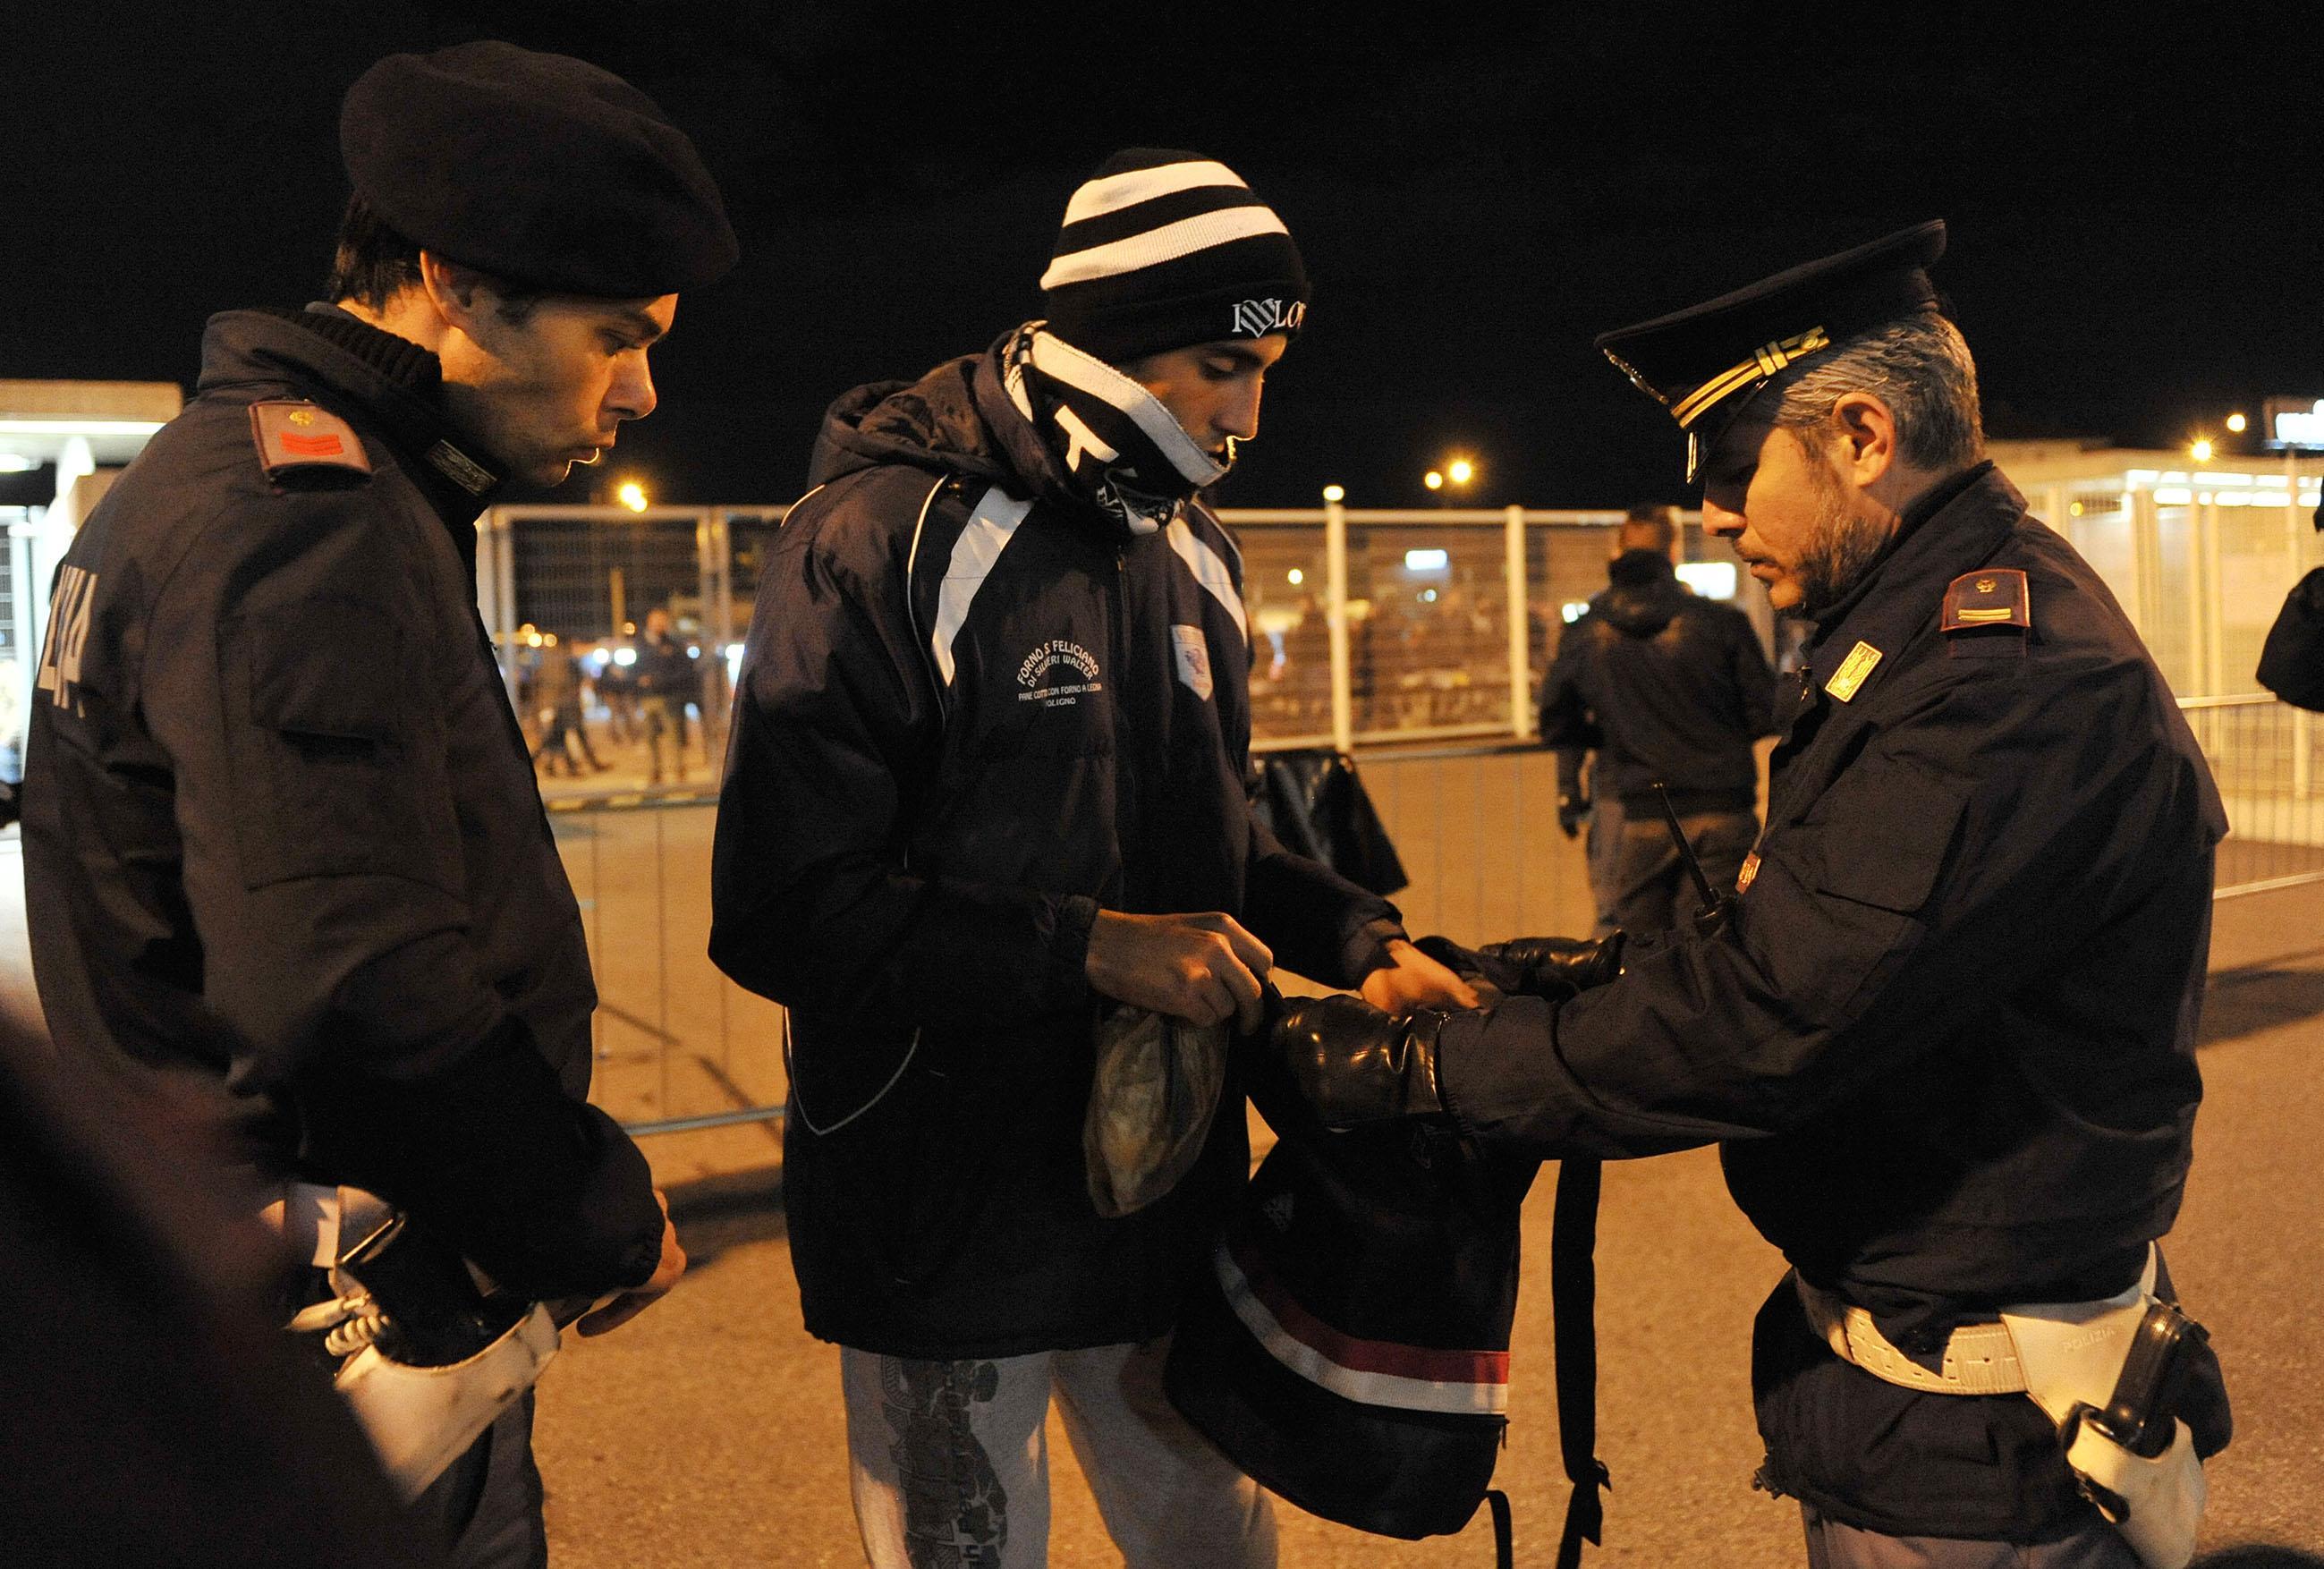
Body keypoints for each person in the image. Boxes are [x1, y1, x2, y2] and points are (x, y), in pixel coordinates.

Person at [1274, 221, 2231, 1567]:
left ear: (1856, 435)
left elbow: (1769, 1018)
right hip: (1905, 1392)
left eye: (1730, 467)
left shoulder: (1999, 683)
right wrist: (1552, 982)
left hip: (1980, 1444)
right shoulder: (1914, 630)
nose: (1714, 511)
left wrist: (1431, 1070)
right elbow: (1814, 937)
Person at [21, 40, 735, 1568]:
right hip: (338, 1328)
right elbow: (347, 981)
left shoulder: (214, 481)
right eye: (616, 336)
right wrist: (590, 1204)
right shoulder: (308, 529)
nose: (643, 389)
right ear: (454, 283)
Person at [709, 148, 1474, 1569]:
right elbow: (784, 907)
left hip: (1157, 1181)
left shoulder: (1191, 545)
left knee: (1214, 1540)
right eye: (1214, 368)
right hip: (937, 1201)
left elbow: (1202, 828)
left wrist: (1364, 937)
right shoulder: (879, 534)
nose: (1245, 416)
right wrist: (1093, 945)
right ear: (1105, 343)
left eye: (1267, 371)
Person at [1539, 502, 1778, 934]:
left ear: (1618, 551)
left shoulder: (1586, 630)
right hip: (1723, 809)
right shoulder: (1722, 623)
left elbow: (1556, 718)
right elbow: (1764, 711)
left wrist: (1609, 735)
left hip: (1643, 810)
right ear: (1672, 553)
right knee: (1718, 942)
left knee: (1642, 947)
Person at [632, 605, 696, 784]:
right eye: (656, 620)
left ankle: (679, 770)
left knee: (673, 735)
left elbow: (685, 670)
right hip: (648, 698)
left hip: (669, 697)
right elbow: (635, 670)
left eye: (662, 620)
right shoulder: (641, 645)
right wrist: (640, 680)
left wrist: (661, 680)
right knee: (650, 736)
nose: (659, 624)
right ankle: (655, 771)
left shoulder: (674, 645)